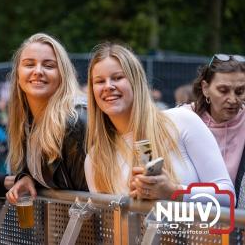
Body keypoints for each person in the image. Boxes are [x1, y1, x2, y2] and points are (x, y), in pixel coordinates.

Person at [84, 42, 234, 205]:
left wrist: (174, 192)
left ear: (136, 82)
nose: (108, 86)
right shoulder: (95, 159)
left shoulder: (182, 121)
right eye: (99, 81)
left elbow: (228, 196)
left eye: (118, 78)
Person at [5, 33, 88, 204]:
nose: (38, 71)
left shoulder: (74, 121)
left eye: (49, 66)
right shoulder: (25, 121)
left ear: (62, 74)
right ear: (18, 74)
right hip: (60, 228)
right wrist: (27, 177)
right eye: (29, 64)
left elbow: (90, 199)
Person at [191, 54, 245, 205]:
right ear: (205, 88)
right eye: (223, 90)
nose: (233, 99)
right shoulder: (185, 118)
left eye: (240, 91)